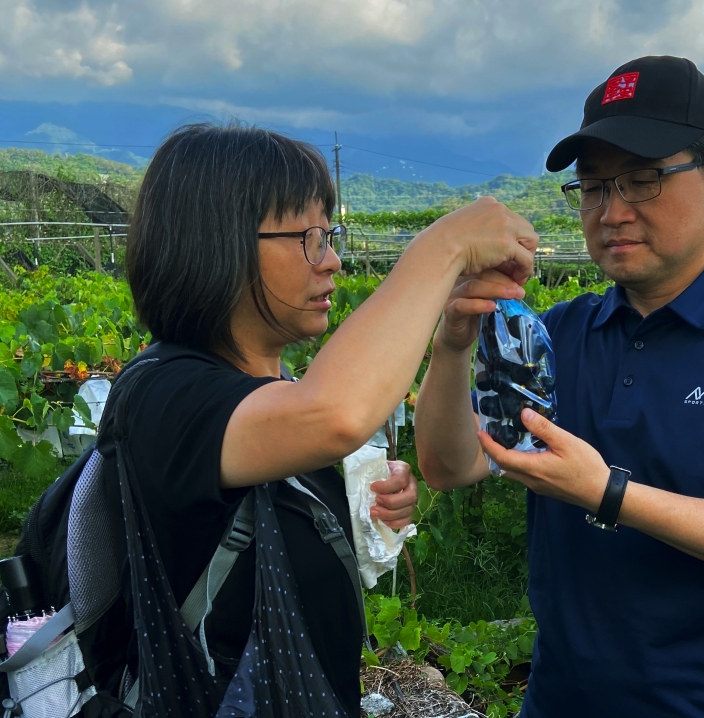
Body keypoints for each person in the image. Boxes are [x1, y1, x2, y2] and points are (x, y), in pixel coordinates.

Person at [414, 56, 704, 717]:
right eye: (594, 187)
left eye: (642, 180)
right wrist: (452, 346)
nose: (612, 212)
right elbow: (451, 466)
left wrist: (607, 493)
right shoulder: (558, 334)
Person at [106, 123, 538, 717]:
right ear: (217, 245)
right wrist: (445, 247)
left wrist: (359, 513)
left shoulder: (270, 392)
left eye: (329, 235)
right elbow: (338, 415)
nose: (332, 260)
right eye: (309, 237)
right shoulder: (164, 395)